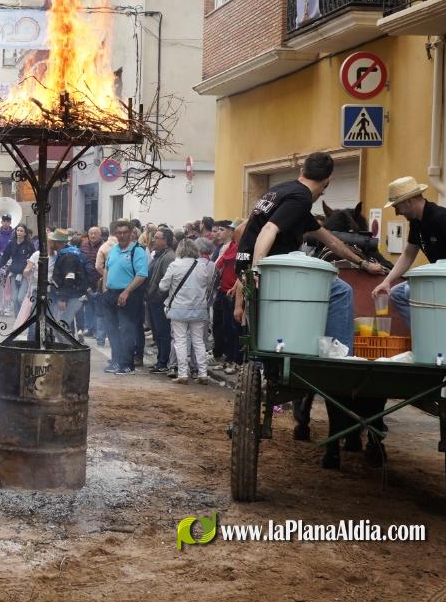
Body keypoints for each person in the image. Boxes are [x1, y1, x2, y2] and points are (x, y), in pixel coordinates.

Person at [235, 152, 384, 470]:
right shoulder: (301, 197)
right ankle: (341, 355)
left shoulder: (282, 191)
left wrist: (361, 262)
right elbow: (267, 232)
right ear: (327, 183)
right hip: (275, 271)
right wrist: (259, 270)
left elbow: (326, 237)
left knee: (331, 287)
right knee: (341, 289)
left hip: (254, 267)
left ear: (302, 170)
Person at [371, 176, 446, 326]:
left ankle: (429, 332)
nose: (397, 213)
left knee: (411, 291)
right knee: (398, 293)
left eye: (397, 207)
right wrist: (387, 281)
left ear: (409, 201)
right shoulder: (416, 223)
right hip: (440, 280)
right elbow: (408, 254)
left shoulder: (442, 218)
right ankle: (423, 332)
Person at [160, 238, 215, 384]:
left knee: (180, 341)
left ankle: (183, 373)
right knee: (199, 341)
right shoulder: (202, 266)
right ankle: (202, 373)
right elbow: (207, 284)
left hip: (178, 308)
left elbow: (163, 286)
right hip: (199, 308)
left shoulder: (175, 265)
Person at [102, 220, 148, 375]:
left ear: (130, 233)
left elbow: (141, 275)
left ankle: (127, 364)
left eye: (124, 232)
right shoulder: (113, 250)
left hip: (129, 295)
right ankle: (115, 361)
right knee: (111, 330)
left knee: (126, 330)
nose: (121, 235)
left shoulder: (138, 251)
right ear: (115, 234)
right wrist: (105, 290)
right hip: (111, 294)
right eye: (119, 233)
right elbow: (106, 270)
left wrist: (127, 291)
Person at [211, 220, 243, 375]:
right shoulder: (230, 247)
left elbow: (241, 269)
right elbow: (218, 264)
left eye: (232, 229)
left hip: (234, 292)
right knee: (226, 327)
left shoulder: (241, 248)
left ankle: (236, 360)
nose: (231, 232)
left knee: (235, 328)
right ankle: (228, 358)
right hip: (225, 291)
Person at [145, 228, 176, 374]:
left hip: (160, 301)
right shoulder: (159, 255)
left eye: (157, 238)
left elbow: (166, 281)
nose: (153, 240)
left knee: (163, 332)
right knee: (157, 332)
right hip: (153, 300)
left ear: (166, 241)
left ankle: (163, 362)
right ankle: (160, 360)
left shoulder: (168, 257)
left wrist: (157, 296)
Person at [50, 229, 87, 338]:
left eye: (53, 241)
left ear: (58, 242)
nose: (51, 243)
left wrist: (63, 299)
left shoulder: (68, 257)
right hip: (71, 296)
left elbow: (69, 278)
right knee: (61, 327)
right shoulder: (64, 254)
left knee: (61, 327)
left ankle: (69, 351)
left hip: (72, 297)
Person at [0, 225, 35, 319]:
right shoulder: (11, 244)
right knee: (14, 298)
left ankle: (27, 316)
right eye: (18, 230)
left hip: (25, 275)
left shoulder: (29, 244)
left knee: (21, 298)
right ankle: (18, 320)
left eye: (21, 231)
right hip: (13, 274)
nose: (19, 232)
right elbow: (5, 257)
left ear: (25, 233)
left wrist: (30, 268)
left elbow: (34, 257)